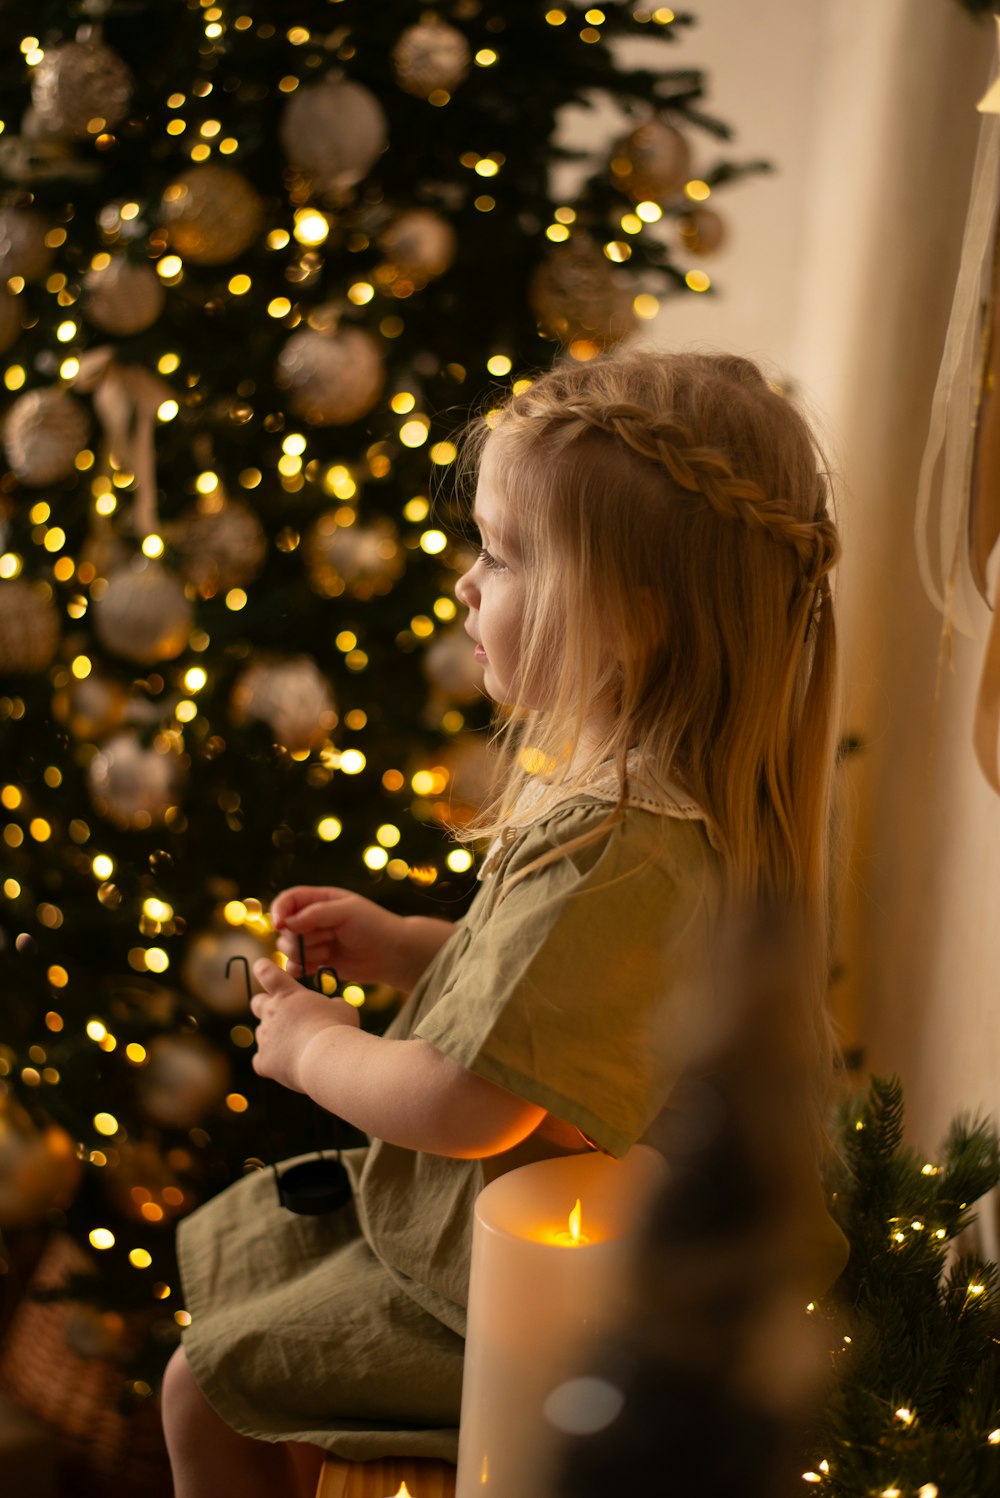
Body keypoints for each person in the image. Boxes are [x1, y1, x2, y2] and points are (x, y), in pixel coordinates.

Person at [161, 348, 848, 1498]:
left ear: (635, 615)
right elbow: (564, 998)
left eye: (502, 553)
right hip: (541, 1245)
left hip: (551, 1305)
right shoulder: (643, 803)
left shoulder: (615, 840)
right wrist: (406, 943)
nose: (466, 582)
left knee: (201, 1385)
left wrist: (315, 1046)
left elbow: (468, 1105)